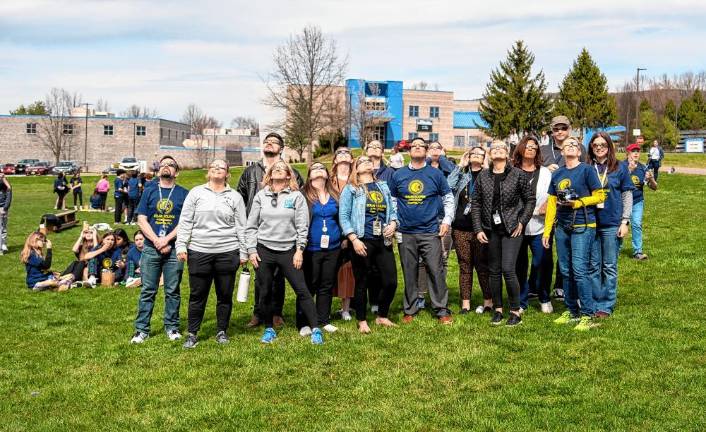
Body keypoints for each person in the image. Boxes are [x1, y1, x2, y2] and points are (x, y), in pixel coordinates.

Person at [245, 161, 323, 345]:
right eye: (275, 168)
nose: (278, 169)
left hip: (288, 251)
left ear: (289, 175)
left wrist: (299, 250)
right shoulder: (260, 196)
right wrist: (251, 250)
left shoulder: (296, 197)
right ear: (270, 175)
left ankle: (316, 329)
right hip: (264, 251)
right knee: (265, 291)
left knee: (302, 290)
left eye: (283, 168)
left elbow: (302, 226)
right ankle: (269, 328)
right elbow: (251, 226)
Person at [176, 159, 247, 348]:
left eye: (221, 167)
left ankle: (222, 331)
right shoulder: (196, 193)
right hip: (199, 251)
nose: (217, 169)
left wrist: (244, 251)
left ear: (227, 174)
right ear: (208, 172)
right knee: (197, 295)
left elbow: (242, 226)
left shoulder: (235, 196)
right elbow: (185, 222)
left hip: (227, 252)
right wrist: (181, 245)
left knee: (224, 295)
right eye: (214, 166)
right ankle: (192, 333)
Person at [236, 132, 304, 328]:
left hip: (284, 233)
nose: (269, 144)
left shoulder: (292, 172)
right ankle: (258, 313)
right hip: (258, 231)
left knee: (279, 276)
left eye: (274, 143)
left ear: (281, 149)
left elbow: (300, 199)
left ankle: (276, 313)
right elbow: (240, 199)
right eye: (267, 142)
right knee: (261, 276)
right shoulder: (250, 172)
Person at [388, 137, 454, 324]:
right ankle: (410, 309)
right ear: (409, 152)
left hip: (430, 231)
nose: (417, 148)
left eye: (421, 146)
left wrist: (447, 220)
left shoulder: (435, 174)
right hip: (406, 232)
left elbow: (448, 198)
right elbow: (392, 201)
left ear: (425, 151)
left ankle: (441, 310)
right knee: (409, 272)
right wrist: (394, 222)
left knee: (435, 270)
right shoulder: (398, 175)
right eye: (414, 146)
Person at [542, 137, 605, 331]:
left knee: (579, 270)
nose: (570, 146)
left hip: (584, 225)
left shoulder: (586, 170)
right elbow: (552, 203)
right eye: (567, 144)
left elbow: (600, 195)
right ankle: (571, 310)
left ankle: (587, 313)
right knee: (565, 270)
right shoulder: (558, 173)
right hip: (562, 227)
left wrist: (578, 203)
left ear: (579, 152)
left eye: (574, 145)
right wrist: (547, 231)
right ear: (562, 151)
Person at [471, 141, 535, 326]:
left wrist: (522, 222)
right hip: (491, 230)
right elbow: (476, 203)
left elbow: (530, 199)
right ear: (490, 155)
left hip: (512, 229)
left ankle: (515, 311)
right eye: (494, 148)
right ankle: (498, 310)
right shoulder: (483, 176)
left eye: (502, 148)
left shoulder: (518, 174)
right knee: (494, 271)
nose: (498, 149)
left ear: (507, 154)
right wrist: (478, 229)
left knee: (508, 268)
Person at [131, 155, 189, 344]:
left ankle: (172, 327)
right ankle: (141, 330)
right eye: (163, 165)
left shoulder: (183, 193)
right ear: (158, 170)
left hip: (174, 249)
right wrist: (156, 240)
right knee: (148, 290)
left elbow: (185, 222)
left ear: (176, 172)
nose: (166, 167)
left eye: (171, 165)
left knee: (173, 290)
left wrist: (167, 240)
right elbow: (141, 218)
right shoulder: (149, 191)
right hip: (150, 248)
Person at [340, 156, 399, 333]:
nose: (367, 162)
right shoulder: (351, 189)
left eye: (368, 161)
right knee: (362, 281)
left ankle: (382, 316)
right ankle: (362, 320)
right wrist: (353, 239)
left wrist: (394, 224)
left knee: (390, 281)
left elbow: (393, 210)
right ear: (356, 169)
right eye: (362, 161)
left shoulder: (383, 186)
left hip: (383, 239)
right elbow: (343, 216)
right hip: (361, 240)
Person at [588, 133, 634, 318]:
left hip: (611, 223)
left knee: (609, 266)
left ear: (609, 147)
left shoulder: (619, 167)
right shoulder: (586, 168)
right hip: (590, 223)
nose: (599, 148)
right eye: (595, 145)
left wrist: (625, 221)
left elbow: (627, 194)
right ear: (591, 147)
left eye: (603, 144)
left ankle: (606, 305)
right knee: (593, 266)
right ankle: (593, 301)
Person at [297, 162, 342, 336]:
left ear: (327, 174)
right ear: (309, 175)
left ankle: (323, 320)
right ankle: (304, 322)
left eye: (321, 168)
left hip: (333, 248)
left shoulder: (335, 194)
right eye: (314, 168)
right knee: (309, 285)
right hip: (311, 248)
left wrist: (344, 239)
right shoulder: (302, 195)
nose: (318, 170)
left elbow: (341, 218)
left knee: (326, 284)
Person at [512, 135, 554, 314]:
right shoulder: (511, 170)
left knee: (542, 262)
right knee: (519, 265)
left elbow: (552, 195)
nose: (531, 149)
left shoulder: (545, 172)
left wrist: (548, 204)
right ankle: (521, 301)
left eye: (534, 147)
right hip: (517, 226)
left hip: (540, 226)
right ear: (520, 149)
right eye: (527, 146)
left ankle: (544, 297)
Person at [448, 146, 491, 314]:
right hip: (461, 227)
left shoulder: (488, 175)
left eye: (480, 154)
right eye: (473, 153)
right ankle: (465, 304)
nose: (476, 156)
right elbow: (448, 185)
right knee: (465, 266)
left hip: (482, 228)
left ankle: (488, 301)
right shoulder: (463, 176)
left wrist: (487, 168)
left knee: (483, 266)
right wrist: (460, 165)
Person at [416, 140, 455, 308]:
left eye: (438, 147)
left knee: (443, 259)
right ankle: (420, 295)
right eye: (431, 147)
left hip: (443, 219)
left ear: (443, 150)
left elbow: (452, 183)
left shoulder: (448, 167)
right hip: (424, 219)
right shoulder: (421, 168)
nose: (434, 150)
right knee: (422, 260)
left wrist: (443, 159)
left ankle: (438, 293)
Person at [330, 146, 355, 320]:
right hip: (330, 230)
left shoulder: (356, 181)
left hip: (351, 232)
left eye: (347, 152)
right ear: (335, 160)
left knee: (348, 270)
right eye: (339, 153)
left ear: (352, 159)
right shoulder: (328, 181)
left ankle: (345, 308)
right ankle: (323, 307)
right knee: (328, 270)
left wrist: (348, 235)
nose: (343, 154)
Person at [623, 143, 658, 260]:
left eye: (638, 151)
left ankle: (637, 252)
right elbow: (617, 183)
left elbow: (654, 187)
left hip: (637, 201)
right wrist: (629, 170)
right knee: (619, 225)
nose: (636, 153)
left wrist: (651, 179)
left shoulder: (643, 168)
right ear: (628, 153)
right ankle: (615, 249)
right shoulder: (621, 166)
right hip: (621, 202)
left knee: (637, 224)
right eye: (633, 151)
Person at [0, 174, 11, 255]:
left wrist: (5, 208)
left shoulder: (6, 184)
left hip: (3, 208)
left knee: (3, 226)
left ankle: (3, 244)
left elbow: (9, 194)